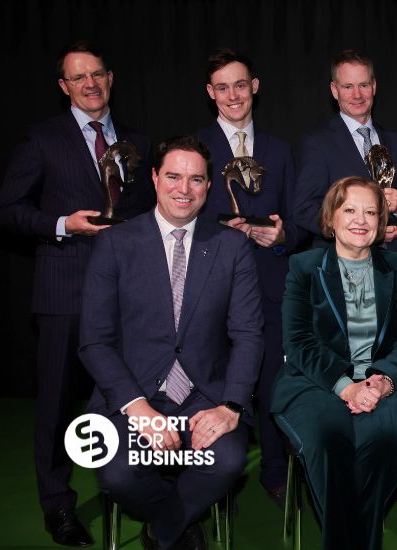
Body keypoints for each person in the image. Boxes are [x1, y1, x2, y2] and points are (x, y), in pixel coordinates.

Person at [0, 39, 154, 547]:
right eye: (78, 77)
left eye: (97, 74)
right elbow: (7, 211)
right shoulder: (42, 139)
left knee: (135, 400)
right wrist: (64, 223)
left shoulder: (137, 141)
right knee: (58, 406)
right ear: (65, 86)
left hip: (129, 298)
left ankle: (147, 500)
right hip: (64, 294)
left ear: (110, 78)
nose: (90, 84)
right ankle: (58, 507)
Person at [78, 135, 264, 550]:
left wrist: (231, 405)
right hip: (134, 392)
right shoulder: (114, 244)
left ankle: (161, 529)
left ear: (209, 186)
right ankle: (177, 521)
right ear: (155, 178)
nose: (185, 189)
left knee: (228, 461)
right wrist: (136, 406)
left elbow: (248, 334)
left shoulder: (232, 247)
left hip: (205, 396)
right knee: (117, 473)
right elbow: (94, 341)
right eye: (174, 177)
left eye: (196, 179)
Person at [270, 176, 397, 550]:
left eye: (371, 212)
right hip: (315, 383)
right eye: (350, 210)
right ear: (332, 217)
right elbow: (299, 342)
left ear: (382, 221)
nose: (361, 220)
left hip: (385, 387)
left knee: (387, 441)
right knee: (330, 439)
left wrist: (381, 382)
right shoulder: (304, 267)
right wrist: (346, 386)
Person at [196, 47, 299, 503]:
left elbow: (300, 220)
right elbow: (176, 216)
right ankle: (215, 476)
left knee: (272, 382)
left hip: (270, 283)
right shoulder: (196, 149)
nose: (233, 95)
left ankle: (275, 471)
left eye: (241, 84)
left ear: (254, 86)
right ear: (210, 93)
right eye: (223, 87)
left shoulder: (280, 149)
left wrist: (280, 238)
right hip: (211, 285)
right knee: (214, 379)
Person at [294, 50, 397, 249]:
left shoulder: (396, 141)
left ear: (374, 86)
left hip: (390, 264)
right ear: (334, 90)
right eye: (348, 87)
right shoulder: (317, 143)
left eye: (363, 85)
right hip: (337, 263)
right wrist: (358, 232)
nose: (357, 95)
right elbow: (304, 209)